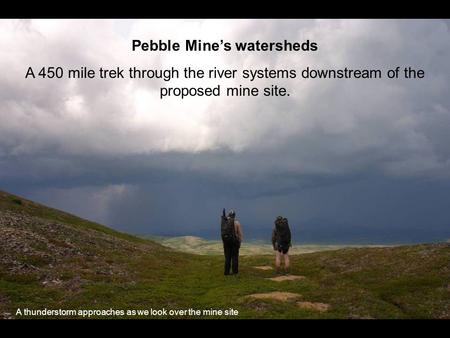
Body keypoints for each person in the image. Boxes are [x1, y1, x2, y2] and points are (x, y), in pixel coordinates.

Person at [220, 208, 243, 275]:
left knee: (227, 258)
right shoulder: (236, 222)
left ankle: (226, 272)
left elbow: (222, 233)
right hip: (234, 243)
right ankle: (235, 272)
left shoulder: (225, 222)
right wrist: (240, 242)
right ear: (234, 215)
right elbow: (240, 234)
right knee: (234, 257)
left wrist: (224, 242)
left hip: (226, 242)